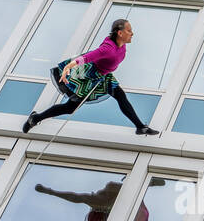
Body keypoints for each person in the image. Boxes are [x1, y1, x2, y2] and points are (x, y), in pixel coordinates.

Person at [22, 18, 159, 136]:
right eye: (129, 30)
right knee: (70, 108)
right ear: (120, 33)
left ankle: (140, 127)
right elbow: (87, 57)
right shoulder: (107, 48)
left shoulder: (121, 46)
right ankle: (35, 118)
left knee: (120, 96)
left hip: (104, 76)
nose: (132, 33)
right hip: (89, 77)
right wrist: (68, 67)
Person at [34, 178, 160, 221]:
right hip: (113, 202)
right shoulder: (144, 216)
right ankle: (50, 191)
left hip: (107, 210)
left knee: (83, 198)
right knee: (83, 198)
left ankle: (51, 192)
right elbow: (137, 199)